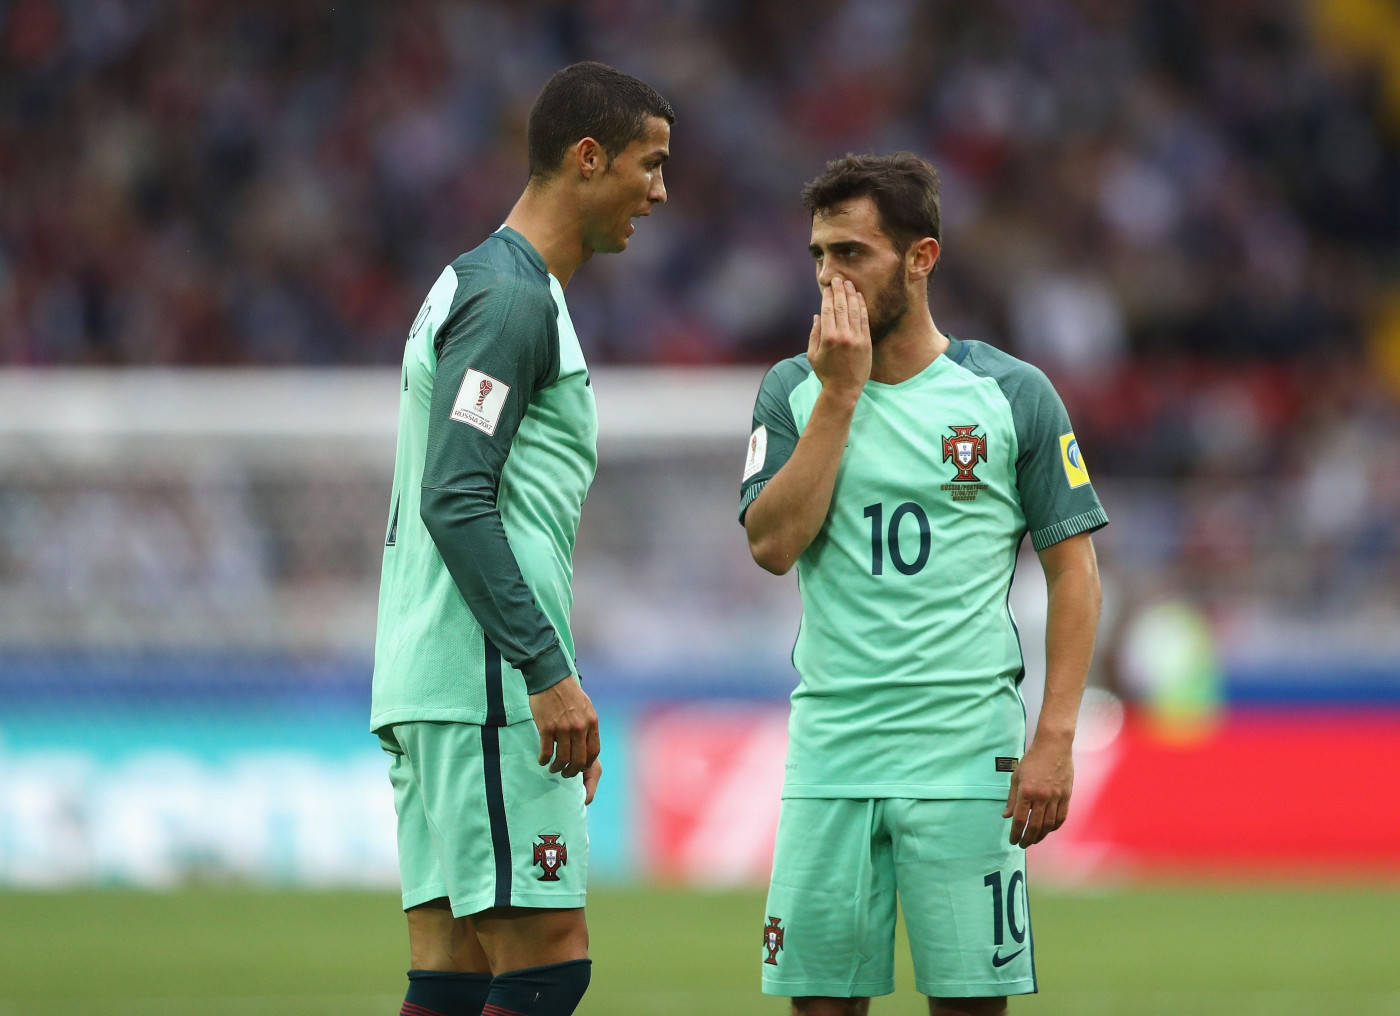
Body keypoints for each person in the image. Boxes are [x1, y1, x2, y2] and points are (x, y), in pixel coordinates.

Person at [739, 153, 1107, 1016]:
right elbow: (772, 545)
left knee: (970, 1005)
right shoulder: (793, 390)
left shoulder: (1012, 394)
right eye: (818, 255)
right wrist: (839, 396)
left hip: (965, 751)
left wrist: (1054, 738)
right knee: (820, 1007)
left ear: (921, 257)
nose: (829, 276)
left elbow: (1074, 572)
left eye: (852, 254)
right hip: (831, 746)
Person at [371, 62, 671, 1016]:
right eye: (649, 164)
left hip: (436, 677)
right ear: (588, 159)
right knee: (547, 963)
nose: (660, 193)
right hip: (485, 680)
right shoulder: (510, 301)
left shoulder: (479, 283)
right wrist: (546, 669)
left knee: (453, 974)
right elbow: (456, 496)